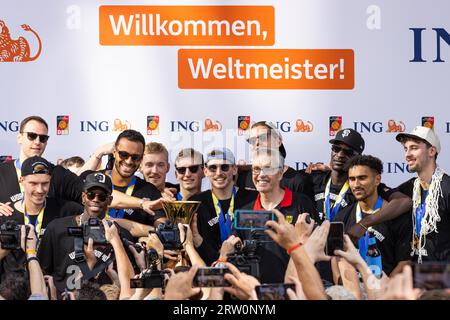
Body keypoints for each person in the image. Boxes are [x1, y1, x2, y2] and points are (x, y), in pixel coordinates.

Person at [0, 116, 165, 218]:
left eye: (43, 138)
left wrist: (142, 204)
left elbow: (100, 194)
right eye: (31, 136)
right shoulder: (2, 171)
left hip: (47, 257)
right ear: (19, 137)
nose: (37, 141)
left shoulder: (57, 174)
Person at [229, 147, 317, 283]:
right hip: (256, 294)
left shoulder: (301, 203)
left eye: (268, 168)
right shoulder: (246, 210)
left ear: (280, 173)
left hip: (295, 290)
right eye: (256, 169)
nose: (261, 174)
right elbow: (234, 249)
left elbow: (316, 247)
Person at [37, 172, 134, 294]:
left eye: (102, 197)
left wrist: (116, 242)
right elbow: (41, 272)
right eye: (91, 195)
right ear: (83, 197)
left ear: (109, 200)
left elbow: (131, 284)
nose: (96, 200)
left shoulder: (120, 235)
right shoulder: (57, 228)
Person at [0, 156, 82, 281]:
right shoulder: (6, 214)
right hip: (14, 289)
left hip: (50, 287)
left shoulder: (66, 209)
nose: (40, 190)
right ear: (22, 181)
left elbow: (94, 213)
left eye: (45, 184)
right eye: (33, 183)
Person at [334, 155, 412, 276]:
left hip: (385, 288)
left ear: (377, 180)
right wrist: (346, 288)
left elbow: (404, 263)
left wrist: (385, 292)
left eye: (362, 178)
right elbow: (336, 258)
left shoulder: (396, 217)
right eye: (352, 179)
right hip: (353, 289)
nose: (356, 184)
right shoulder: (342, 216)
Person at [82, 130, 166, 226]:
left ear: (141, 159)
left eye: (135, 157)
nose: (129, 161)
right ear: (114, 152)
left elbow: (162, 225)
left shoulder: (149, 191)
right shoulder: (92, 179)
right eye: (124, 155)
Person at [188, 148, 257, 266]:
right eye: (213, 168)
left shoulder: (253, 199)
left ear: (234, 169)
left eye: (224, 167)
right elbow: (196, 245)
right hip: (210, 274)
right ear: (205, 171)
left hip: (248, 271)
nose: (219, 173)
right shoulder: (195, 203)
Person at [394, 126, 450, 262]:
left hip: (443, 276)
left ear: (431, 151)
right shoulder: (408, 188)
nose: (407, 154)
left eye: (414, 148)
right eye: (405, 149)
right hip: (414, 271)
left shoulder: (447, 188)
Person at [236, 121, 313, 200]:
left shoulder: (297, 181)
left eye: (263, 138)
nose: (257, 143)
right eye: (252, 140)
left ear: (278, 141)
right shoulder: (242, 178)